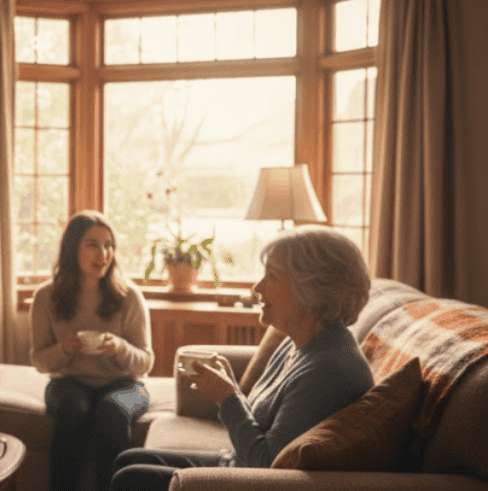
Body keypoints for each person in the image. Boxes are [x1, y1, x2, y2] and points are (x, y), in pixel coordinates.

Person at [110, 226, 374, 490]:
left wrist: (227, 397)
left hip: (248, 479)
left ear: (312, 289)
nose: (257, 287)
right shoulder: (297, 342)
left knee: (130, 478)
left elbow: (265, 469)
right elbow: (261, 425)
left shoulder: (329, 370)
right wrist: (231, 388)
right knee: (128, 460)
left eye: (271, 276)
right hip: (236, 463)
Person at [30, 210, 154, 491]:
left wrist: (121, 349)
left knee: (111, 412)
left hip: (126, 385)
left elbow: (146, 362)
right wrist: (63, 349)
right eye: (93, 244)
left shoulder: (129, 296)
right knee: (74, 409)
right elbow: (39, 360)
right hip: (69, 382)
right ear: (72, 248)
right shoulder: (45, 297)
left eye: (109, 245)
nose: (104, 253)